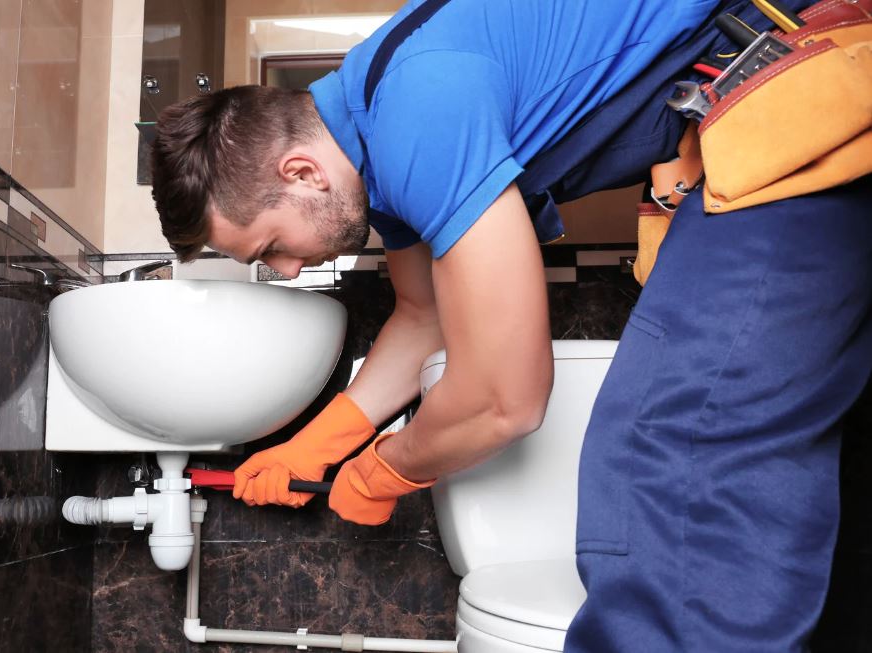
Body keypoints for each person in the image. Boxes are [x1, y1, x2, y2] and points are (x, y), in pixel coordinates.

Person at [149, 0, 872, 649]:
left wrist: (383, 468)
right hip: (772, 103)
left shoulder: (416, 108)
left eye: (270, 247)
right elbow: (421, 315)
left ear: (302, 172)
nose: (283, 271)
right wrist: (323, 440)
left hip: (802, 75)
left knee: (676, 439)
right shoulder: (374, 131)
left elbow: (507, 399)